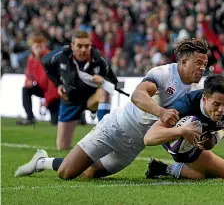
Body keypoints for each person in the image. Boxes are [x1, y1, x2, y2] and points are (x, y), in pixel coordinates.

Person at [14, 38, 209, 180]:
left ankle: (69, 160)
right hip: (114, 129)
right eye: (198, 63)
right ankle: (42, 161)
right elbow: (137, 96)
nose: (202, 68)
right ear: (183, 62)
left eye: (205, 65)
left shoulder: (196, 90)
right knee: (67, 173)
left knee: (87, 173)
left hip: (133, 147)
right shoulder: (163, 73)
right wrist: (161, 112)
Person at [41, 31, 119, 150]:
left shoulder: (99, 59)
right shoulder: (61, 54)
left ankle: (104, 134)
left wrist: (103, 81)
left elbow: (113, 83)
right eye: (79, 46)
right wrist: (59, 84)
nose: (83, 49)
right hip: (70, 100)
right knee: (62, 147)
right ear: (72, 46)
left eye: (87, 46)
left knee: (104, 92)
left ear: (91, 45)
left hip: (91, 97)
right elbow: (45, 63)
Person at [16, 35, 60, 126]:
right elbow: (28, 74)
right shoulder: (31, 59)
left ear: (44, 46)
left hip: (54, 92)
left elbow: (52, 83)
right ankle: (30, 117)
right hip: (41, 88)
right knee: (26, 89)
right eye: (36, 47)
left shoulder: (49, 58)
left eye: (40, 47)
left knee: (55, 122)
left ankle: (79, 118)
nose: (38, 50)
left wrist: (46, 100)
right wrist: (28, 81)